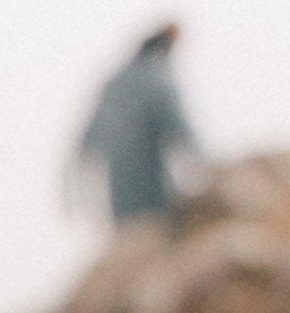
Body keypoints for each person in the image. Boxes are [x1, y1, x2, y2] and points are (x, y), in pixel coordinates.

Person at [65, 14, 203, 235]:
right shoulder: (156, 76)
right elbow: (180, 127)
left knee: (130, 231)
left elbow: (89, 137)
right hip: (148, 184)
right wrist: (204, 165)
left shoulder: (116, 81)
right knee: (152, 232)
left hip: (119, 188)